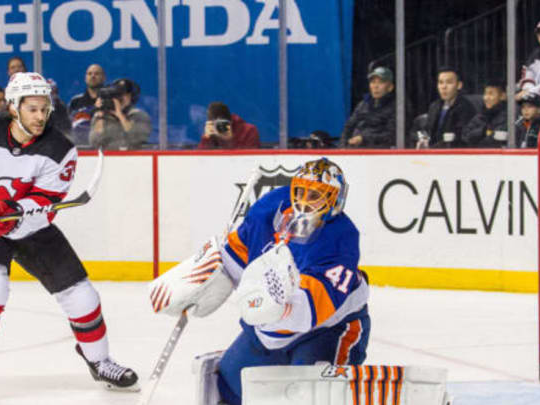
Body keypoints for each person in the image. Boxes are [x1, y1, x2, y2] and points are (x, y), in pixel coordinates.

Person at [0, 72, 138, 402]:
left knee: (82, 296)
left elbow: (45, 206)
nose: (40, 116)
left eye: (44, 109)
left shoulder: (60, 150)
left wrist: (11, 214)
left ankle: (100, 360)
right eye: (32, 109)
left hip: (31, 228)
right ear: (12, 107)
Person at [149, 158, 369, 405]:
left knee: (312, 394)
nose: (306, 201)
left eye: (317, 195)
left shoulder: (340, 238)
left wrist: (266, 307)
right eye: (302, 191)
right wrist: (207, 278)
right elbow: (238, 253)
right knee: (230, 385)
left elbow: (308, 311)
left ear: (335, 201)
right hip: (267, 325)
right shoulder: (271, 207)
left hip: (328, 329)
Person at [417, 67, 476, 148]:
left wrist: (433, 148)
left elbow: (460, 139)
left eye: (449, 82)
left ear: (459, 85)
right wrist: (423, 139)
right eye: (440, 82)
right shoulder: (434, 106)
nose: (444, 87)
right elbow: (427, 130)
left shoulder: (465, 108)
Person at [340, 66, 396, 148]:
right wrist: (343, 146)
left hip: (379, 153)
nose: (375, 86)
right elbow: (348, 127)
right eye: (373, 82)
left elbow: (392, 135)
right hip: (354, 151)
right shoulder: (363, 104)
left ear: (390, 87)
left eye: (380, 82)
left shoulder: (398, 106)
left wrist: (364, 139)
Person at [89, 78, 151, 150]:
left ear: (131, 96)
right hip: (108, 158)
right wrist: (100, 115)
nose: (120, 98)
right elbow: (94, 142)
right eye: (117, 95)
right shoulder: (102, 116)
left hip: (133, 158)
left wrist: (120, 115)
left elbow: (138, 139)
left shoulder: (140, 116)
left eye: (124, 94)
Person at [462, 80, 508, 148]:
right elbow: (465, 136)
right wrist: (483, 131)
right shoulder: (480, 116)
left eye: (491, 94)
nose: (486, 98)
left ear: (502, 96)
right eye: (485, 93)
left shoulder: (508, 117)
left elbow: (494, 141)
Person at [68, 64, 106, 145]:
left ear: (103, 78)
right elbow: (69, 127)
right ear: (85, 78)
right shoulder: (76, 101)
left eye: (97, 73)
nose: (93, 76)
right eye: (89, 73)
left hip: (106, 148)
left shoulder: (110, 100)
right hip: (81, 149)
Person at [517, 19, 540, 100]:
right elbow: (527, 80)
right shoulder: (534, 57)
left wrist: (530, 91)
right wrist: (527, 91)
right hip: (538, 100)